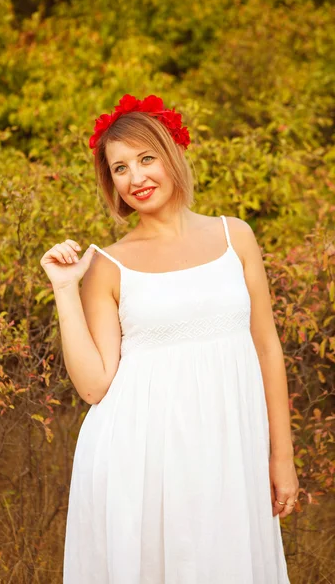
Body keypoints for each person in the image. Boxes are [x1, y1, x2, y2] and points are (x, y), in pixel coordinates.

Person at [40, 94, 299, 583]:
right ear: (110, 183)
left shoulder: (234, 237)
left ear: (172, 154)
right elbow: (95, 387)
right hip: (143, 464)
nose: (136, 178)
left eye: (145, 158)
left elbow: (267, 348)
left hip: (230, 455)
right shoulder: (107, 265)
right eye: (119, 169)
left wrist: (281, 456)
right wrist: (64, 290)